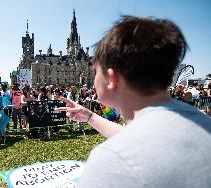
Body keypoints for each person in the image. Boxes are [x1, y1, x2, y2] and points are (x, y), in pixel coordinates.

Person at [56, 16, 211, 187]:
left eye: (95, 70)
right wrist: (90, 116)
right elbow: (139, 137)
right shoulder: (202, 122)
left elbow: (132, 144)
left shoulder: (112, 160)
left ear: (112, 78)